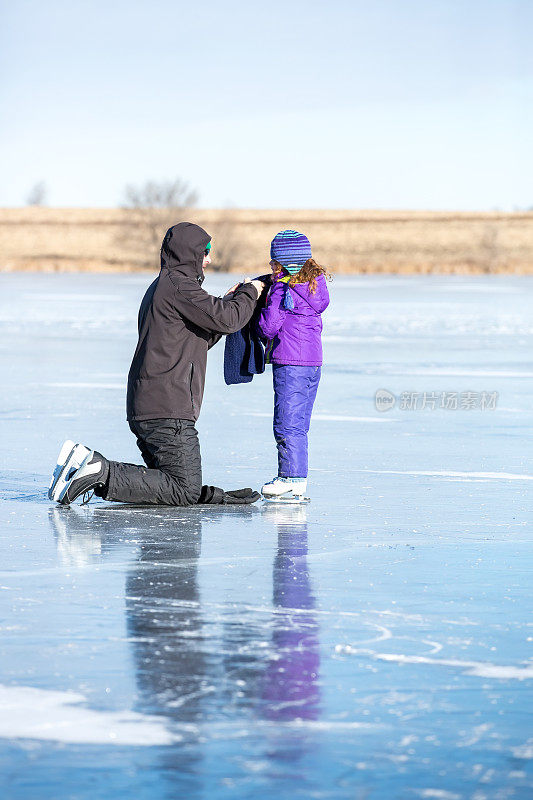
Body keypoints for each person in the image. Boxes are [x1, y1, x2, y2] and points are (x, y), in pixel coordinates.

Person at [49, 222, 265, 506]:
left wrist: (215, 498)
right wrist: (250, 291)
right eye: (205, 251)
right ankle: (99, 470)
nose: (209, 259)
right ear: (190, 253)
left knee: (175, 483)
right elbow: (228, 319)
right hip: (167, 406)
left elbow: (199, 338)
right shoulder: (178, 285)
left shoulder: (165, 287)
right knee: (183, 489)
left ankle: (90, 470)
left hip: (152, 404)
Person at [257, 230, 330, 500]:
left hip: (290, 362)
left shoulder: (282, 287)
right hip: (312, 363)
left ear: (284, 264)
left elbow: (268, 326)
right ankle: (295, 477)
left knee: (287, 422)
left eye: (273, 262)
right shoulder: (314, 285)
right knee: (298, 422)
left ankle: (291, 478)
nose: (270, 266)